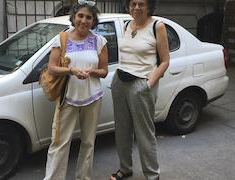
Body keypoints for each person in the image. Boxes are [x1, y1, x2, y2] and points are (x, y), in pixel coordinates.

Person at [43, 1, 108, 180]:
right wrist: (71, 71)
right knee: (59, 143)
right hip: (67, 99)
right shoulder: (62, 38)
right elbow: (52, 68)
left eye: (89, 17)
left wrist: (92, 71)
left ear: (93, 20)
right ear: (74, 17)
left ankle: (83, 177)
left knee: (88, 142)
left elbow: (104, 71)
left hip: (93, 99)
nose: (84, 20)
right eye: (80, 16)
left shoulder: (99, 41)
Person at [110, 0, 170, 180]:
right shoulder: (127, 24)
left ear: (149, 6)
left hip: (141, 84)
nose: (136, 7)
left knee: (144, 134)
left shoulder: (157, 26)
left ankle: (152, 175)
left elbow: (165, 61)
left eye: (141, 3)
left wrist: (148, 83)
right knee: (121, 130)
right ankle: (125, 168)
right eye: (133, 3)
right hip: (120, 82)